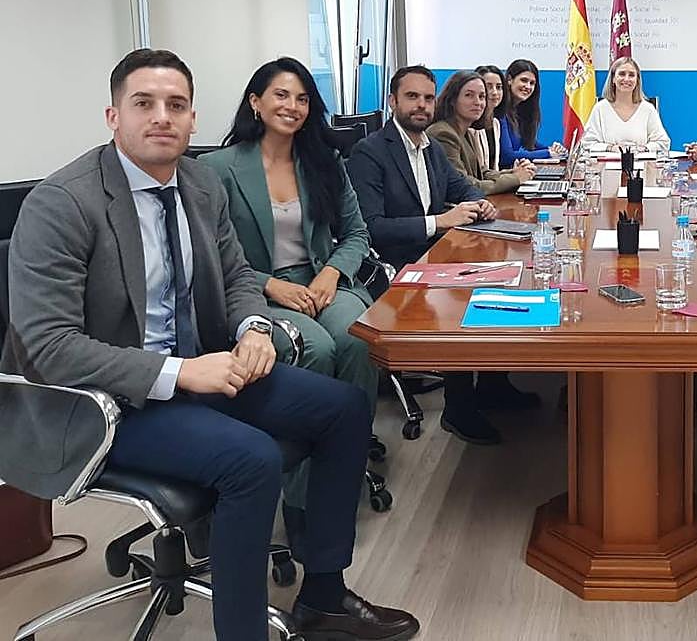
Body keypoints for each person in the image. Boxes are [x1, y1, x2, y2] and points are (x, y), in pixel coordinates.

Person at [0, 49, 418, 641]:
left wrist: (254, 329)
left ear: (194, 118)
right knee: (252, 459)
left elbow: (237, 277)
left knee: (344, 409)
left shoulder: (199, 183)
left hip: (200, 371)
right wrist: (179, 372)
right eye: (143, 104)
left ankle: (324, 594)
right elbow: (48, 348)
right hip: (101, 402)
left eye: (176, 105)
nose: (162, 117)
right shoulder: (63, 204)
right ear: (113, 116)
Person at [201, 57, 384, 536]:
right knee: (317, 349)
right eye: (281, 95)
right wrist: (269, 283)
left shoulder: (324, 160)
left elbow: (356, 232)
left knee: (358, 339)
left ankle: (343, 466)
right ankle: (303, 501)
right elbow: (210, 255)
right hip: (257, 286)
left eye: (303, 98)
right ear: (255, 102)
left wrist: (330, 274)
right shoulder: (216, 168)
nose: (294, 106)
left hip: (322, 279)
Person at [348, 65, 530, 446]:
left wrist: (481, 205)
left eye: (427, 98)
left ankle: (494, 383)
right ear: (393, 101)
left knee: (506, 266)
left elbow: (462, 187)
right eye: (412, 97)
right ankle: (458, 409)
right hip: (394, 260)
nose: (421, 105)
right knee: (459, 301)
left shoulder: (429, 149)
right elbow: (371, 226)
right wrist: (438, 221)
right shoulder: (370, 152)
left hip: (435, 251)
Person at [428, 69, 537, 194]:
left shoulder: (466, 132)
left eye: (482, 97)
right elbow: (465, 186)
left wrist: (516, 172)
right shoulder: (444, 134)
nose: (478, 102)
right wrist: (516, 178)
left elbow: (482, 172)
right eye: (469, 95)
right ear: (452, 99)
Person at [580, 56, 671, 151]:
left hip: (641, 164)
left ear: (637, 81)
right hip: (607, 165)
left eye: (631, 75)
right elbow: (587, 143)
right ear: (613, 79)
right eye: (622, 74)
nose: (626, 79)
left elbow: (663, 142)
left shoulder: (648, 109)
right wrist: (610, 148)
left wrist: (644, 148)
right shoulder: (600, 108)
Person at [496, 59, 567, 166]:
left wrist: (553, 150)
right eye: (524, 80)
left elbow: (529, 143)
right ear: (509, 80)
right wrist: (547, 153)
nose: (528, 87)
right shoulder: (501, 112)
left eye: (532, 83)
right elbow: (507, 156)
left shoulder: (520, 111)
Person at [471, 64, 505, 171]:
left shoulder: (495, 124)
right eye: (489, 87)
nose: (495, 92)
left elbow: (494, 168)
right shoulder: (470, 126)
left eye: (499, 87)